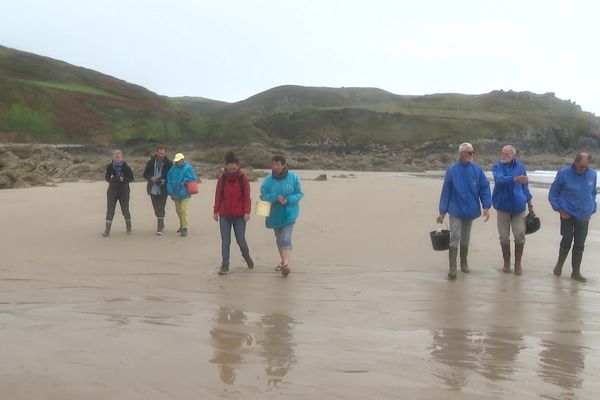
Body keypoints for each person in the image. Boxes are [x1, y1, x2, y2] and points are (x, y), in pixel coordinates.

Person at [437, 143, 491, 279]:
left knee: (465, 237)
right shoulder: (452, 170)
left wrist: (486, 207)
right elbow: (446, 192)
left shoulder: (477, 170)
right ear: (461, 154)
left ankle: (464, 261)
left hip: (471, 209)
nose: (472, 155)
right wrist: (442, 212)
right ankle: (452, 268)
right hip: (455, 209)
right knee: (455, 235)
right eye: (469, 152)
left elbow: (484, 188)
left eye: (473, 152)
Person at [548, 152, 597, 282]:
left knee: (580, 243)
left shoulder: (592, 174)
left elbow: (593, 192)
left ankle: (576, 272)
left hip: (584, 214)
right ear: (575, 162)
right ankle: (559, 265)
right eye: (581, 166)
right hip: (567, 213)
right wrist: (559, 209)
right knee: (567, 239)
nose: (583, 169)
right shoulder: (563, 173)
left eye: (586, 167)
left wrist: (593, 206)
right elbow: (553, 193)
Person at [491, 145, 533, 275]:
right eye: (502, 153)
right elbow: (499, 180)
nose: (503, 156)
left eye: (507, 154)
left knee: (520, 235)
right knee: (504, 237)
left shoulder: (520, 167)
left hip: (519, 206)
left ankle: (518, 264)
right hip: (502, 206)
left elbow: (525, 186)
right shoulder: (497, 166)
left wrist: (530, 205)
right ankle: (507, 262)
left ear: (513, 155)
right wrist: (514, 179)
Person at [260, 155, 304, 277]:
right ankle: (284, 261)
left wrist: (288, 199)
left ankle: (285, 264)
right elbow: (263, 196)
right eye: (273, 164)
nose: (275, 167)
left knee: (285, 238)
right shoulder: (268, 180)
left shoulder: (294, 178)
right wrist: (275, 197)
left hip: (290, 212)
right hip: (274, 213)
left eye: (278, 164)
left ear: (284, 165)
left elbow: (299, 193)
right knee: (279, 238)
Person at [213, 151, 253, 275]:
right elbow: (218, 195)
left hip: (240, 215)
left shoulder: (243, 178)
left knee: (240, 240)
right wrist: (216, 210)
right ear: (226, 166)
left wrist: (247, 211)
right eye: (229, 169)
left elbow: (247, 196)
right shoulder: (222, 178)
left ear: (237, 165)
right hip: (225, 214)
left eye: (233, 168)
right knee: (225, 240)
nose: (231, 171)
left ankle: (247, 258)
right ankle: (225, 264)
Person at [102, 149, 134, 237]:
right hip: (112, 189)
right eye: (116, 157)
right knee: (110, 210)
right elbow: (106, 177)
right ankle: (107, 231)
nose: (118, 158)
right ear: (113, 158)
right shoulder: (110, 166)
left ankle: (129, 227)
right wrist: (111, 179)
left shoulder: (126, 166)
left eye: (119, 157)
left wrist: (123, 179)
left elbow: (131, 178)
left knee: (125, 209)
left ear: (122, 158)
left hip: (124, 189)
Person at [143, 145, 173, 235]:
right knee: (156, 209)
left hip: (163, 188)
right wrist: (151, 178)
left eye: (162, 153)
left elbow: (171, 175)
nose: (161, 155)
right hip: (153, 188)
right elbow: (145, 174)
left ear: (165, 153)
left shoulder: (169, 163)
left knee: (161, 207)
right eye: (159, 153)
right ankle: (161, 221)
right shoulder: (151, 162)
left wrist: (165, 180)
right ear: (157, 153)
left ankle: (159, 227)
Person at [167, 152, 197, 237]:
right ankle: (182, 224)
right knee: (178, 210)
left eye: (179, 161)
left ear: (182, 160)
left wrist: (184, 181)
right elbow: (169, 179)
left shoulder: (188, 168)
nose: (177, 162)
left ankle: (184, 228)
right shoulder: (173, 168)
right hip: (175, 193)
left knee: (183, 210)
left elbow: (192, 177)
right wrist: (170, 192)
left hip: (185, 193)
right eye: (176, 161)